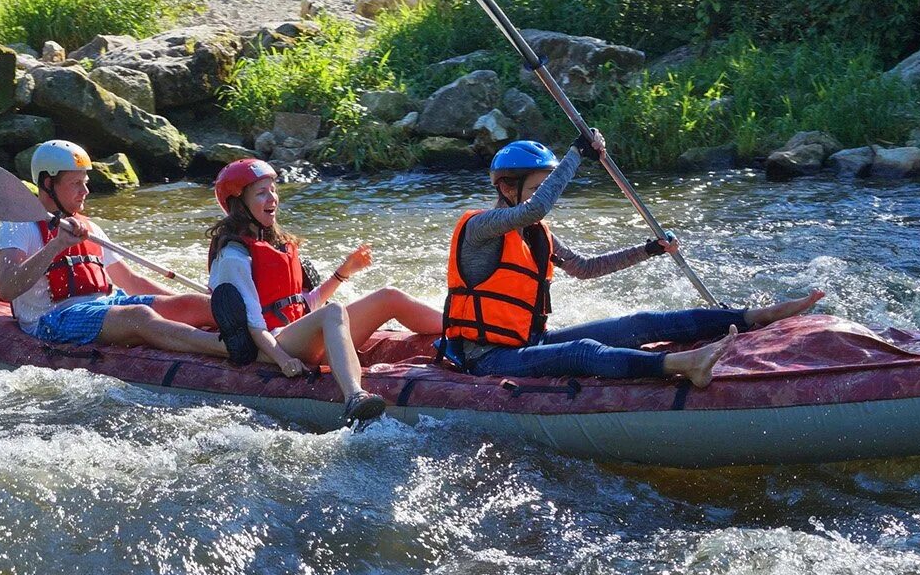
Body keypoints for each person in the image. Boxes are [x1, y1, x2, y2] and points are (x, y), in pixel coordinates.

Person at [437, 138, 825, 385]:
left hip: (527, 341)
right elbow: (539, 206)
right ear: (506, 187)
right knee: (582, 352)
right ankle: (683, 364)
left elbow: (586, 268)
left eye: (545, 185)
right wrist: (577, 155)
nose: (545, 197)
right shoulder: (481, 228)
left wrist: (648, 249)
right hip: (487, 358)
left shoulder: (536, 234)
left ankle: (753, 316)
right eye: (537, 186)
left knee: (639, 323)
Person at [208, 159, 443, 425]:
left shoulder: (273, 244)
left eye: (273, 190)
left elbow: (305, 305)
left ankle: (466, 330)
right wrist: (283, 360)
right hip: (272, 343)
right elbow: (253, 324)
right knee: (334, 311)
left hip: (299, 335)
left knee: (389, 296)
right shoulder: (234, 256)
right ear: (239, 204)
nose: (272, 197)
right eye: (261, 192)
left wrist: (344, 272)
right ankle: (355, 396)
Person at [0, 140, 228, 355]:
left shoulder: (88, 228)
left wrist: (183, 302)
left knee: (200, 304)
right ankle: (229, 349)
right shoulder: (18, 226)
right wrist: (56, 245)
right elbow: (6, 287)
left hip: (107, 305)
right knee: (138, 316)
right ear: (48, 183)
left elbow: (130, 280)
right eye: (76, 183)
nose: (85, 191)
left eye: (84, 183)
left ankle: (261, 336)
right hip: (52, 320)